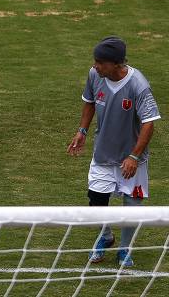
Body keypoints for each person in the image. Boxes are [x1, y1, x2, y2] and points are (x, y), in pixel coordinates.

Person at [67, 37, 160, 267]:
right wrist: (82, 131)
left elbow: (149, 123)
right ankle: (106, 236)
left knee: (132, 205)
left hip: (131, 158)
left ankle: (125, 249)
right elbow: (89, 102)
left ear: (116, 64)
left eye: (100, 62)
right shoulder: (94, 75)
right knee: (96, 200)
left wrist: (134, 156)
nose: (95, 66)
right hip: (103, 154)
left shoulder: (138, 84)